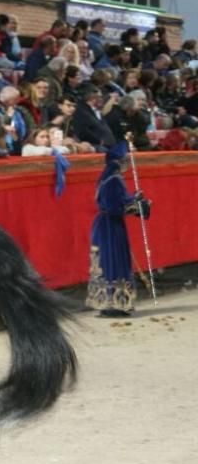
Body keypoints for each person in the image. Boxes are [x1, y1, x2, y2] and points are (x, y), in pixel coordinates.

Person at [87, 140, 150, 317]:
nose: (128, 162)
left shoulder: (107, 177)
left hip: (104, 225)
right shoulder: (115, 179)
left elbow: (117, 201)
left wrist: (133, 199)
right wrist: (136, 205)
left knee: (106, 263)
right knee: (114, 261)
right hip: (110, 226)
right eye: (125, 159)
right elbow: (116, 207)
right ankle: (115, 304)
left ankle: (112, 302)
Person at [72, 85, 116, 151]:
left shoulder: (96, 111)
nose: (102, 99)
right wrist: (99, 141)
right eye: (100, 97)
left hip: (109, 145)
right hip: (95, 146)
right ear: (92, 98)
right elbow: (82, 131)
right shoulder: (82, 111)